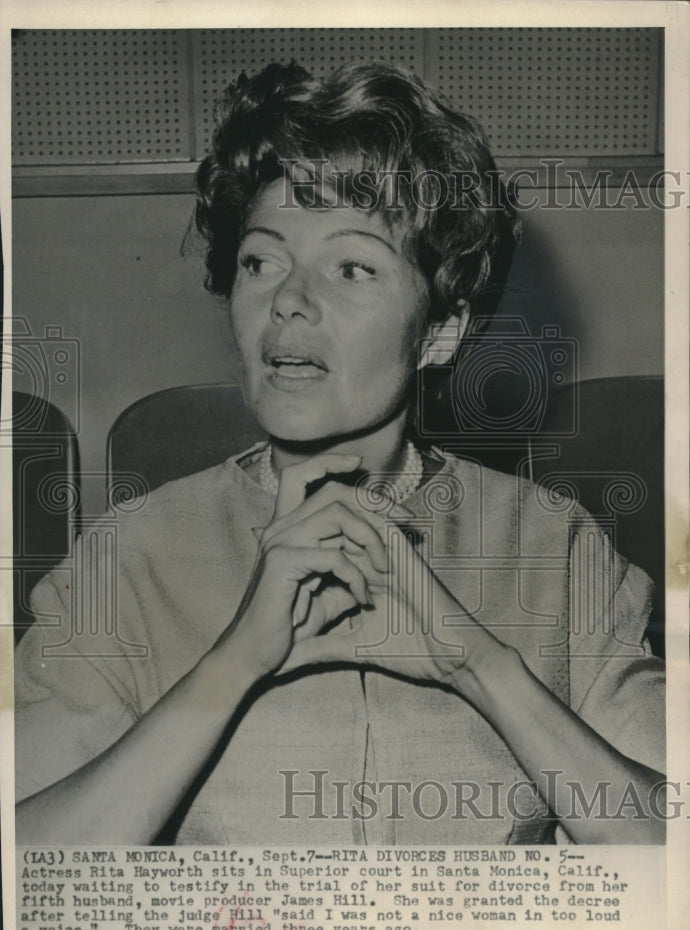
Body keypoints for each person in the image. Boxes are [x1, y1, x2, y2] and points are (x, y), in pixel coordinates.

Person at [14, 61, 665, 846]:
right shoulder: (122, 561)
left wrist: (478, 664)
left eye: (351, 266)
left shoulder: (559, 551)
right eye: (261, 261)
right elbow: (27, 900)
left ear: (441, 330)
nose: (288, 298)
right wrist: (234, 663)